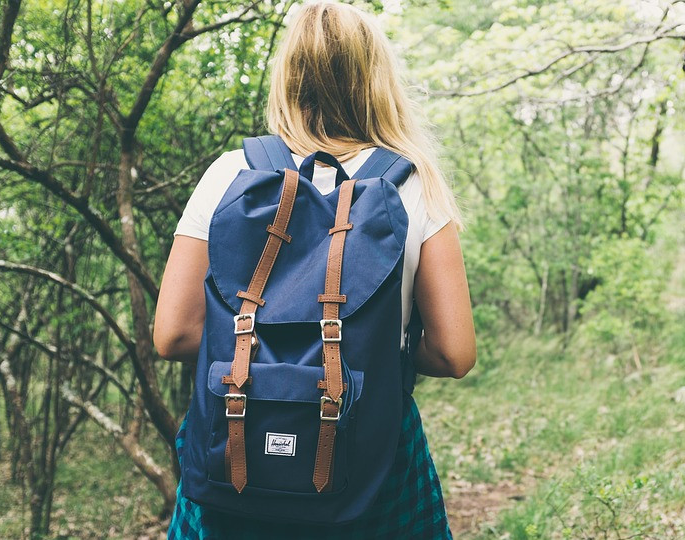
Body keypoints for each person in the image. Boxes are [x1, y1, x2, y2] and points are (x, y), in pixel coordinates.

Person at [153, 3, 476, 538]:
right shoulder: (413, 186)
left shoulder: (228, 176)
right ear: (377, 78)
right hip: (367, 459)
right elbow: (454, 352)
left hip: (237, 452)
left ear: (288, 75)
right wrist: (378, 346)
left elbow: (174, 334)